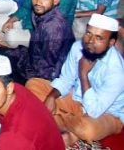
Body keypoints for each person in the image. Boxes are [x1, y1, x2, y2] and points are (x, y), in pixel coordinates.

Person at [25, 14, 124, 146]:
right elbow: (66, 79)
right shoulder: (78, 47)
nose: (90, 41)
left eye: (99, 38)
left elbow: (94, 111)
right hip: (77, 99)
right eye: (88, 33)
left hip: (107, 113)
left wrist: (83, 74)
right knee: (33, 84)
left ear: (111, 43)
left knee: (88, 130)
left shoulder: (117, 71)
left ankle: (57, 122)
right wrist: (51, 96)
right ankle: (67, 130)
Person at [0, 0, 74, 84]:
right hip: (32, 60)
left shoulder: (53, 28)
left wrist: (30, 80)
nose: (38, 2)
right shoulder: (40, 13)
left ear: (56, 0)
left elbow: (48, 68)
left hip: (45, 73)